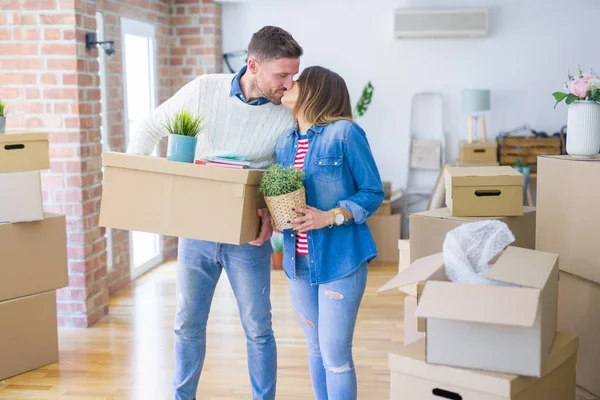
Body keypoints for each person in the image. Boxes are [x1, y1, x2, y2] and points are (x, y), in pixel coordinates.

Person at [126, 26, 303, 400]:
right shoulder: (205, 89)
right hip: (197, 232)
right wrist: (136, 187)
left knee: (258, 328)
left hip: (248, 236)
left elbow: (285, 174)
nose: (289, 84)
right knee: (187, 324)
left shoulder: (286, 112)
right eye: (282, 75)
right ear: (253, 65)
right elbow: (149, 126)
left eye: (294, 75)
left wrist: (271, 216)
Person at [275, 66, 384, 400]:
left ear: (317, 90)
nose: (289, 84)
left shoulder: (345, 134)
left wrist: (331, 216)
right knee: (315, 350)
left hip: (341, 261)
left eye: (298, 80)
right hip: (298, 264)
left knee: (335, 357)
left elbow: (372, 191)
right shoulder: (285, 142)